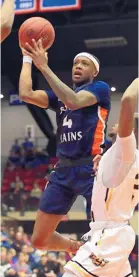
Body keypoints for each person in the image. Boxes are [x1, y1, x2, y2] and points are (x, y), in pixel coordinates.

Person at [19, 39, 111, 250]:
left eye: (84, 63)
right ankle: (77, 248)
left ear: (94, 72)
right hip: (63, 169)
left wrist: (43, 65)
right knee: (40, 241)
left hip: (92, 169)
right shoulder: (60, 97)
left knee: (107, 234)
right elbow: (26, 94)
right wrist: (27, 58)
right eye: (75, 63)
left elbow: (74, 101)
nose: (78, 66)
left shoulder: (100, 88)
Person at [63, 78, 139, 276]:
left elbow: (128, 99)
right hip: (116, 232)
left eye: (125, 121)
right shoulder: (122, 156)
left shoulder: (127, 150)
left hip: (109, 235)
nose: (117, 123)